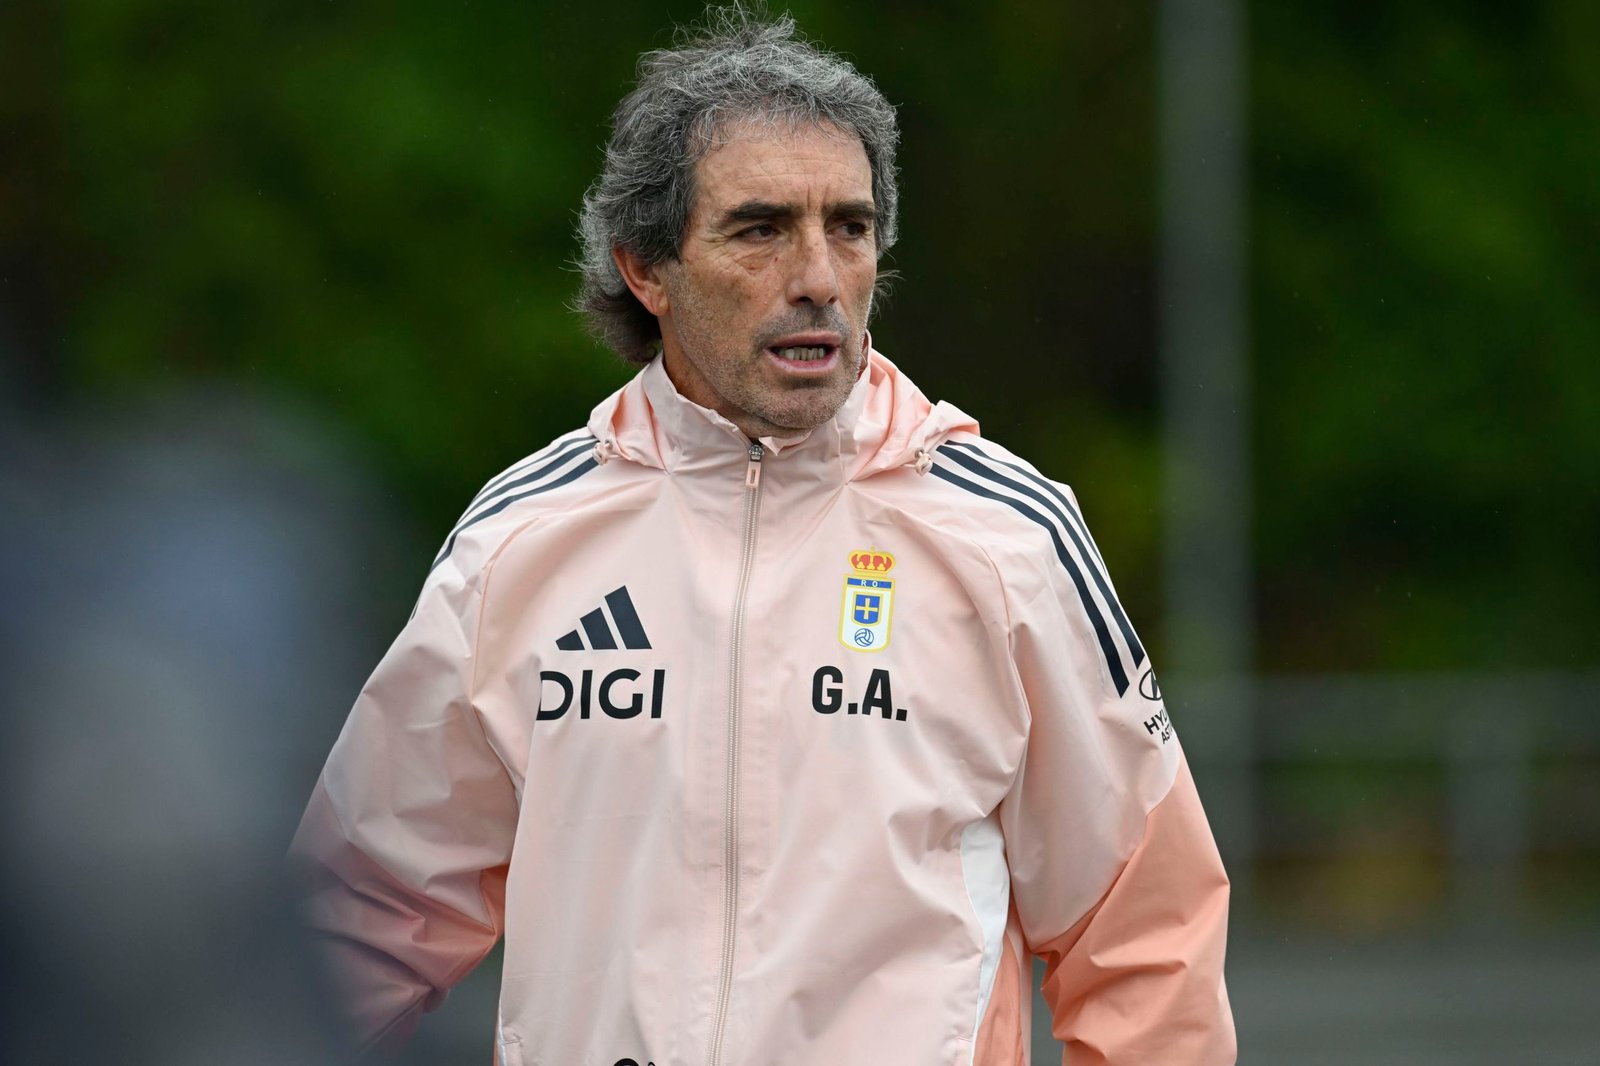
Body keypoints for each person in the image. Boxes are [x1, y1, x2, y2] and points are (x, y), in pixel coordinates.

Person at [289, 8, 1236, 1064]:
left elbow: (1143, 937)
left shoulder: (1008, 538)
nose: (819, 277)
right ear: (645, 269)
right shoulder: (517, 542)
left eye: (850, 227)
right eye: (761, 229)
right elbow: (356, 922)